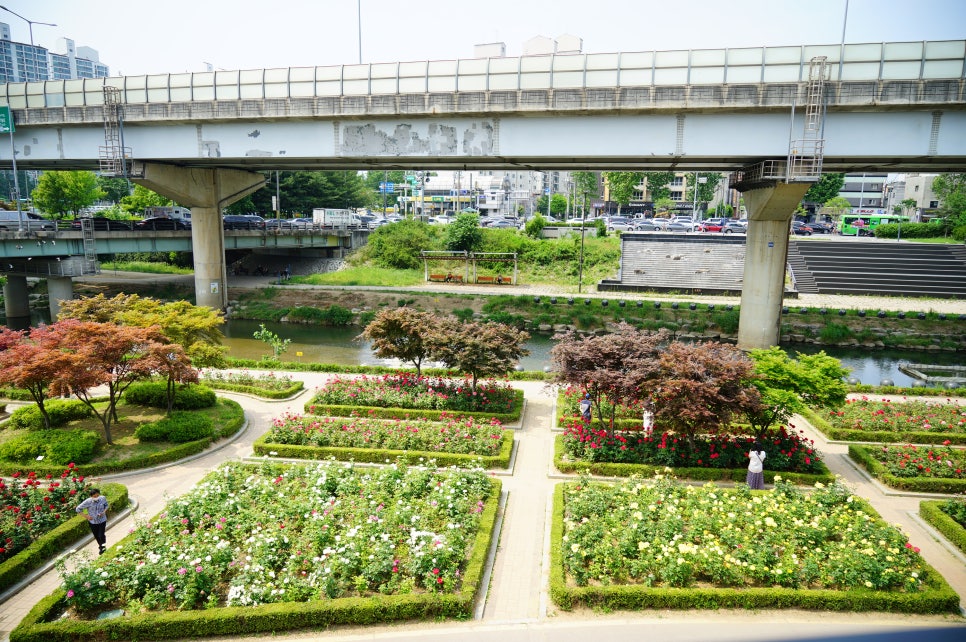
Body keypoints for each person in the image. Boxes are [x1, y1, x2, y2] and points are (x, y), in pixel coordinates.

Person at [75, 487, 109, 555]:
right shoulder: (88, 501)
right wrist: (87, 516)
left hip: (102, 520)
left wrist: (103, 512)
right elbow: (78, 509)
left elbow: (106, 506)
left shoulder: (103, 498)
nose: (96, 497)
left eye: (97, 495)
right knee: (96, 536)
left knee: (101, 535)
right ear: (91, 496)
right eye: (94, 496)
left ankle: (103, 547)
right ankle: (101, 546)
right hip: (93, 522)